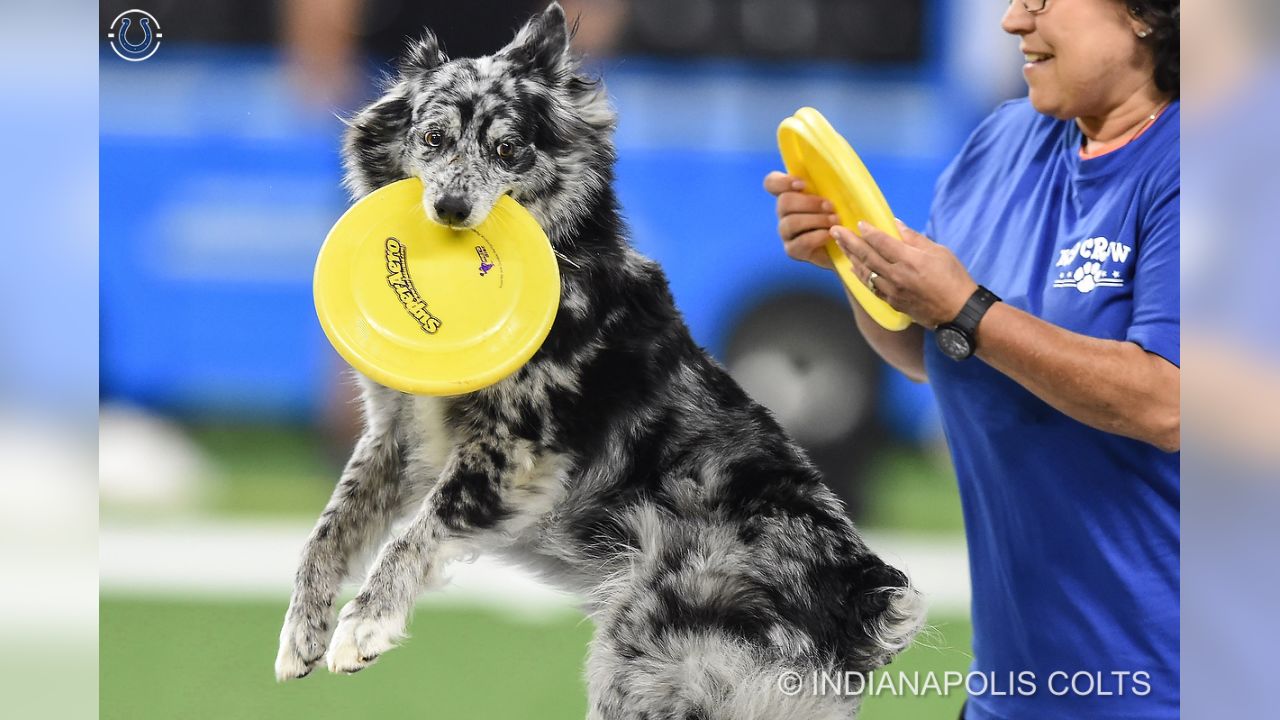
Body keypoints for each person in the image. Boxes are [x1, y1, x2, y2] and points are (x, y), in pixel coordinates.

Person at [764, 1, 1179, 718]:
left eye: (1045, 0)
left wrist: (968, 308)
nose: (1014, 20)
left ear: (1145, 14)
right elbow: (935, 354)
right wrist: (858, 262)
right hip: (1012, 694)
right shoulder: (1002, 142)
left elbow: (1169, 404)